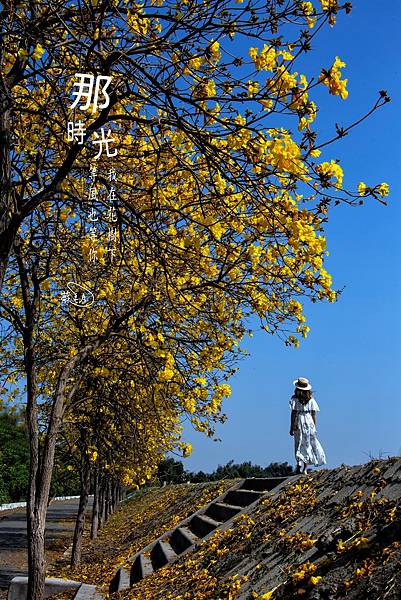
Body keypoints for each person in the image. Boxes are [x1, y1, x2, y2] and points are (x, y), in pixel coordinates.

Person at [289, 377, 326, 475]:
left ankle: (299, 464)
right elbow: (313, 413)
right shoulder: (311, 400)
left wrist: (291, 426)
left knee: (298, 443)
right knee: (307, 444)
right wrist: (314, 426)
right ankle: (305, 467)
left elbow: (293, 413)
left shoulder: (295, 399)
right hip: (309, 421)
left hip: (299, 421)